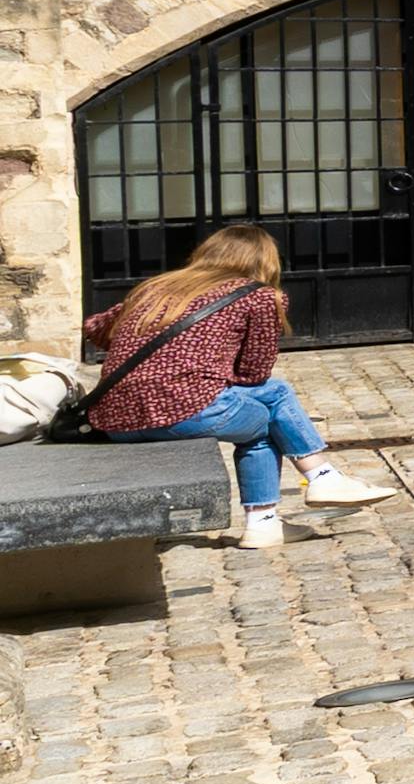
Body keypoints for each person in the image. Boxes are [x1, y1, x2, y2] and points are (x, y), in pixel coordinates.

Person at [79, 225, 396, 550]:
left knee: (264, 413)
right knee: (273, 401)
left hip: (115, 419)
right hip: (183, 413)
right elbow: (253, 374)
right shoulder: (259, 295)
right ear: (266, 261)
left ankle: (292, 505)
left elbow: (94, 328)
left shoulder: (155, 288)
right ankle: (306, 489)